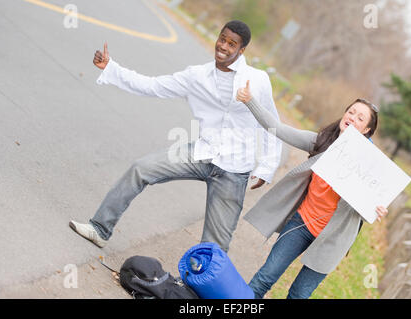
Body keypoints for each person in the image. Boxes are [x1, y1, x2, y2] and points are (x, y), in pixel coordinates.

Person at [69, 21, 282, 252]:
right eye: (222, 39)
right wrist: (111, 68)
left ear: (241, 51)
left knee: (216, 245)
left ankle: (198, 285)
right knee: (141, 168)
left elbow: (271, 123)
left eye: (232, 44)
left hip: (235, 169)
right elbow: (152, 86)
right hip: (202, 153)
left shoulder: (258, 80)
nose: (223, 46)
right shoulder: (197, 76)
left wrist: (266, 168)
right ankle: (100, 228)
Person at [236, 81, 388, 299]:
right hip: (302, 223)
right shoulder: (322, 141)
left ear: (367, 130)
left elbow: (370, 206)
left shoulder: (369, 167)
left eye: (360, 118)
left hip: (333, 239)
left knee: (298, 295)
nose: (352, 118)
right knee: (264, 278)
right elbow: (280, 129)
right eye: (351, 111)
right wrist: (250, 101)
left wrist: (378, 209)